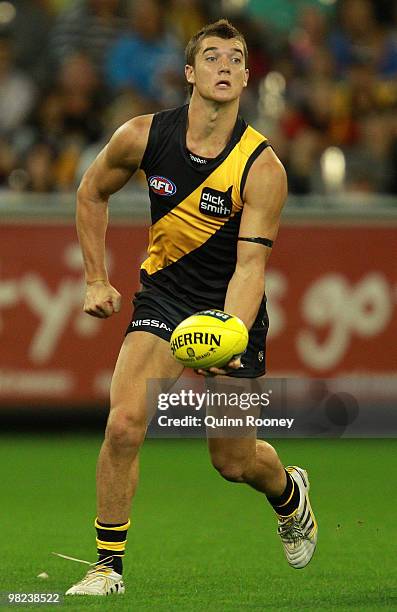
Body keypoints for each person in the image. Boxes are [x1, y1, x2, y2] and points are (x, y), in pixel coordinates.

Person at [65, 19, 318, 596]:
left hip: (232, 308)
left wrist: (229, 332)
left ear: (249, 76)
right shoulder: (142, 136)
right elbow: (91, 192)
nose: (225, 66)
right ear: (189, 73)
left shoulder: (263, 168)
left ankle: (288, 492)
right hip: (163, 297)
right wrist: (95, 279)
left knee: (232, 460)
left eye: (236, 58)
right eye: (212, 56)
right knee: (124, 423)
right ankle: (108, 568)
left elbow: (251, 268)